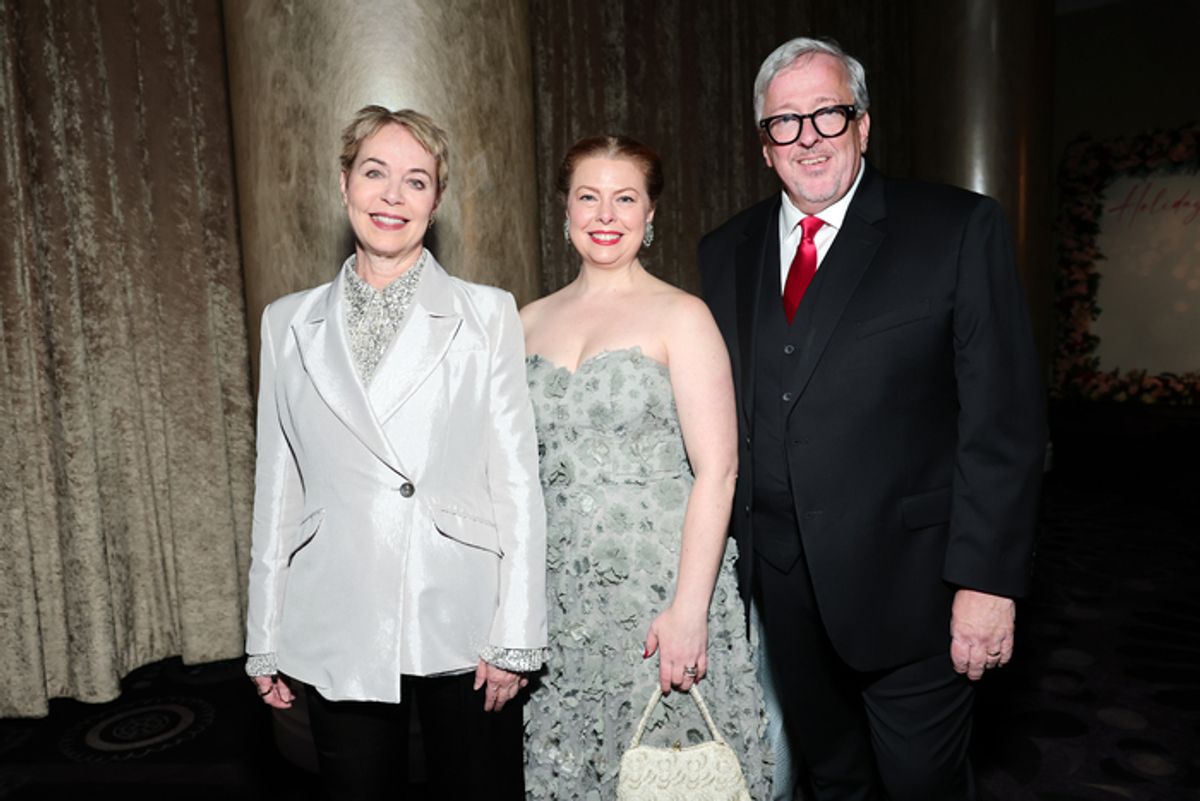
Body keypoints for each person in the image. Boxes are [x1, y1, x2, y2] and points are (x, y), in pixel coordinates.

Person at [698, 38, 1046, 801]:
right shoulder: (723, 252)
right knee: (833, 780)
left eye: (828, 113)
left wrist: (987, 581)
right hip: (781, 594)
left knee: (922, 786)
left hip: (916, 593)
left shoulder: (956, 229)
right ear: (763, 147)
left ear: (863, 126)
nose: (808, 136)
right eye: (785, 122)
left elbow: (1004, 423)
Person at [243, 105, 547, 800]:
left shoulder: (485, 312)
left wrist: (517, 631)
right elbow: (278, 485)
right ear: (343, 183)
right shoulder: (287, 322)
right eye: (375, 173)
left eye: (416, 181)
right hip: (337, 608)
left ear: (436, 201)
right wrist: (265, 630)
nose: (392, 196)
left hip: (462, 609)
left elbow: (517, 481)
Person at [520, 136, 772, 799]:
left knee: (669, 777)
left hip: (657, 598)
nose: (607, 214)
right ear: (565, 211)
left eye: (625, 197)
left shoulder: (682, 317)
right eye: (589, 197)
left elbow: (718, 471)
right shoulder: (524, 323)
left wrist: (688, 609)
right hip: (558, 606)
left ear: (651, 212)